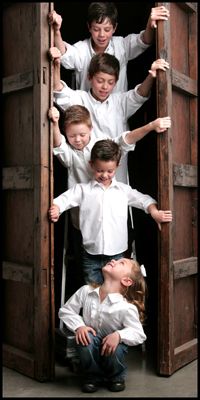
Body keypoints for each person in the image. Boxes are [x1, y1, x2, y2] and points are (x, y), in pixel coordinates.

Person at [48, 139, 172, 285]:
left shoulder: (123, 190)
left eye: (110, 171)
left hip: (117, 256)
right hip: (90, 254)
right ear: (91, 165)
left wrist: (155, 212)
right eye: (100, 170)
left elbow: (144, 200)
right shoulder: (82, 190)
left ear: (117, 167)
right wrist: (56, 208)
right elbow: (63, 200)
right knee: (93, 293)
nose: (104, 175)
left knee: (116, 292)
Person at [49, 48, 169, 184]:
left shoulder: (119, 102)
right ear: (89, 77)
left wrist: (151, 75)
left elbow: (139, 95)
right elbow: (58, 90)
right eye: (100, 81)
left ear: (116, 82)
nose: (105, 87)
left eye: (110, 82)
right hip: (84, 174)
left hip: (116, 174)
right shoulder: (79, 99)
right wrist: (56, 64)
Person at [58, 257, 147, 393]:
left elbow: (139, 334)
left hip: (111, 348)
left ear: (126, 281)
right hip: (91, 342)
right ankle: (93, 376)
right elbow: (66, 311)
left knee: (117, 348)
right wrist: (79, 326)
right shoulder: (86, 291)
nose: (113, 260)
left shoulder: (126, 308)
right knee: (84, 337)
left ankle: (116, 376)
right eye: (116, 260)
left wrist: (118, 335)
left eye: (121, 263)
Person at [48, 2, 170, 92]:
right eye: (96, 29)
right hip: (87, 118)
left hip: (117, 117)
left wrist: (150, 22)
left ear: (115, 28)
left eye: (107, 29)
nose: (101, 35)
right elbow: (64, 54)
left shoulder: (121, 46)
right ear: (89, 27)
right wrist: (56, 30)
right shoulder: (81, 49)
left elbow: (144, 41)